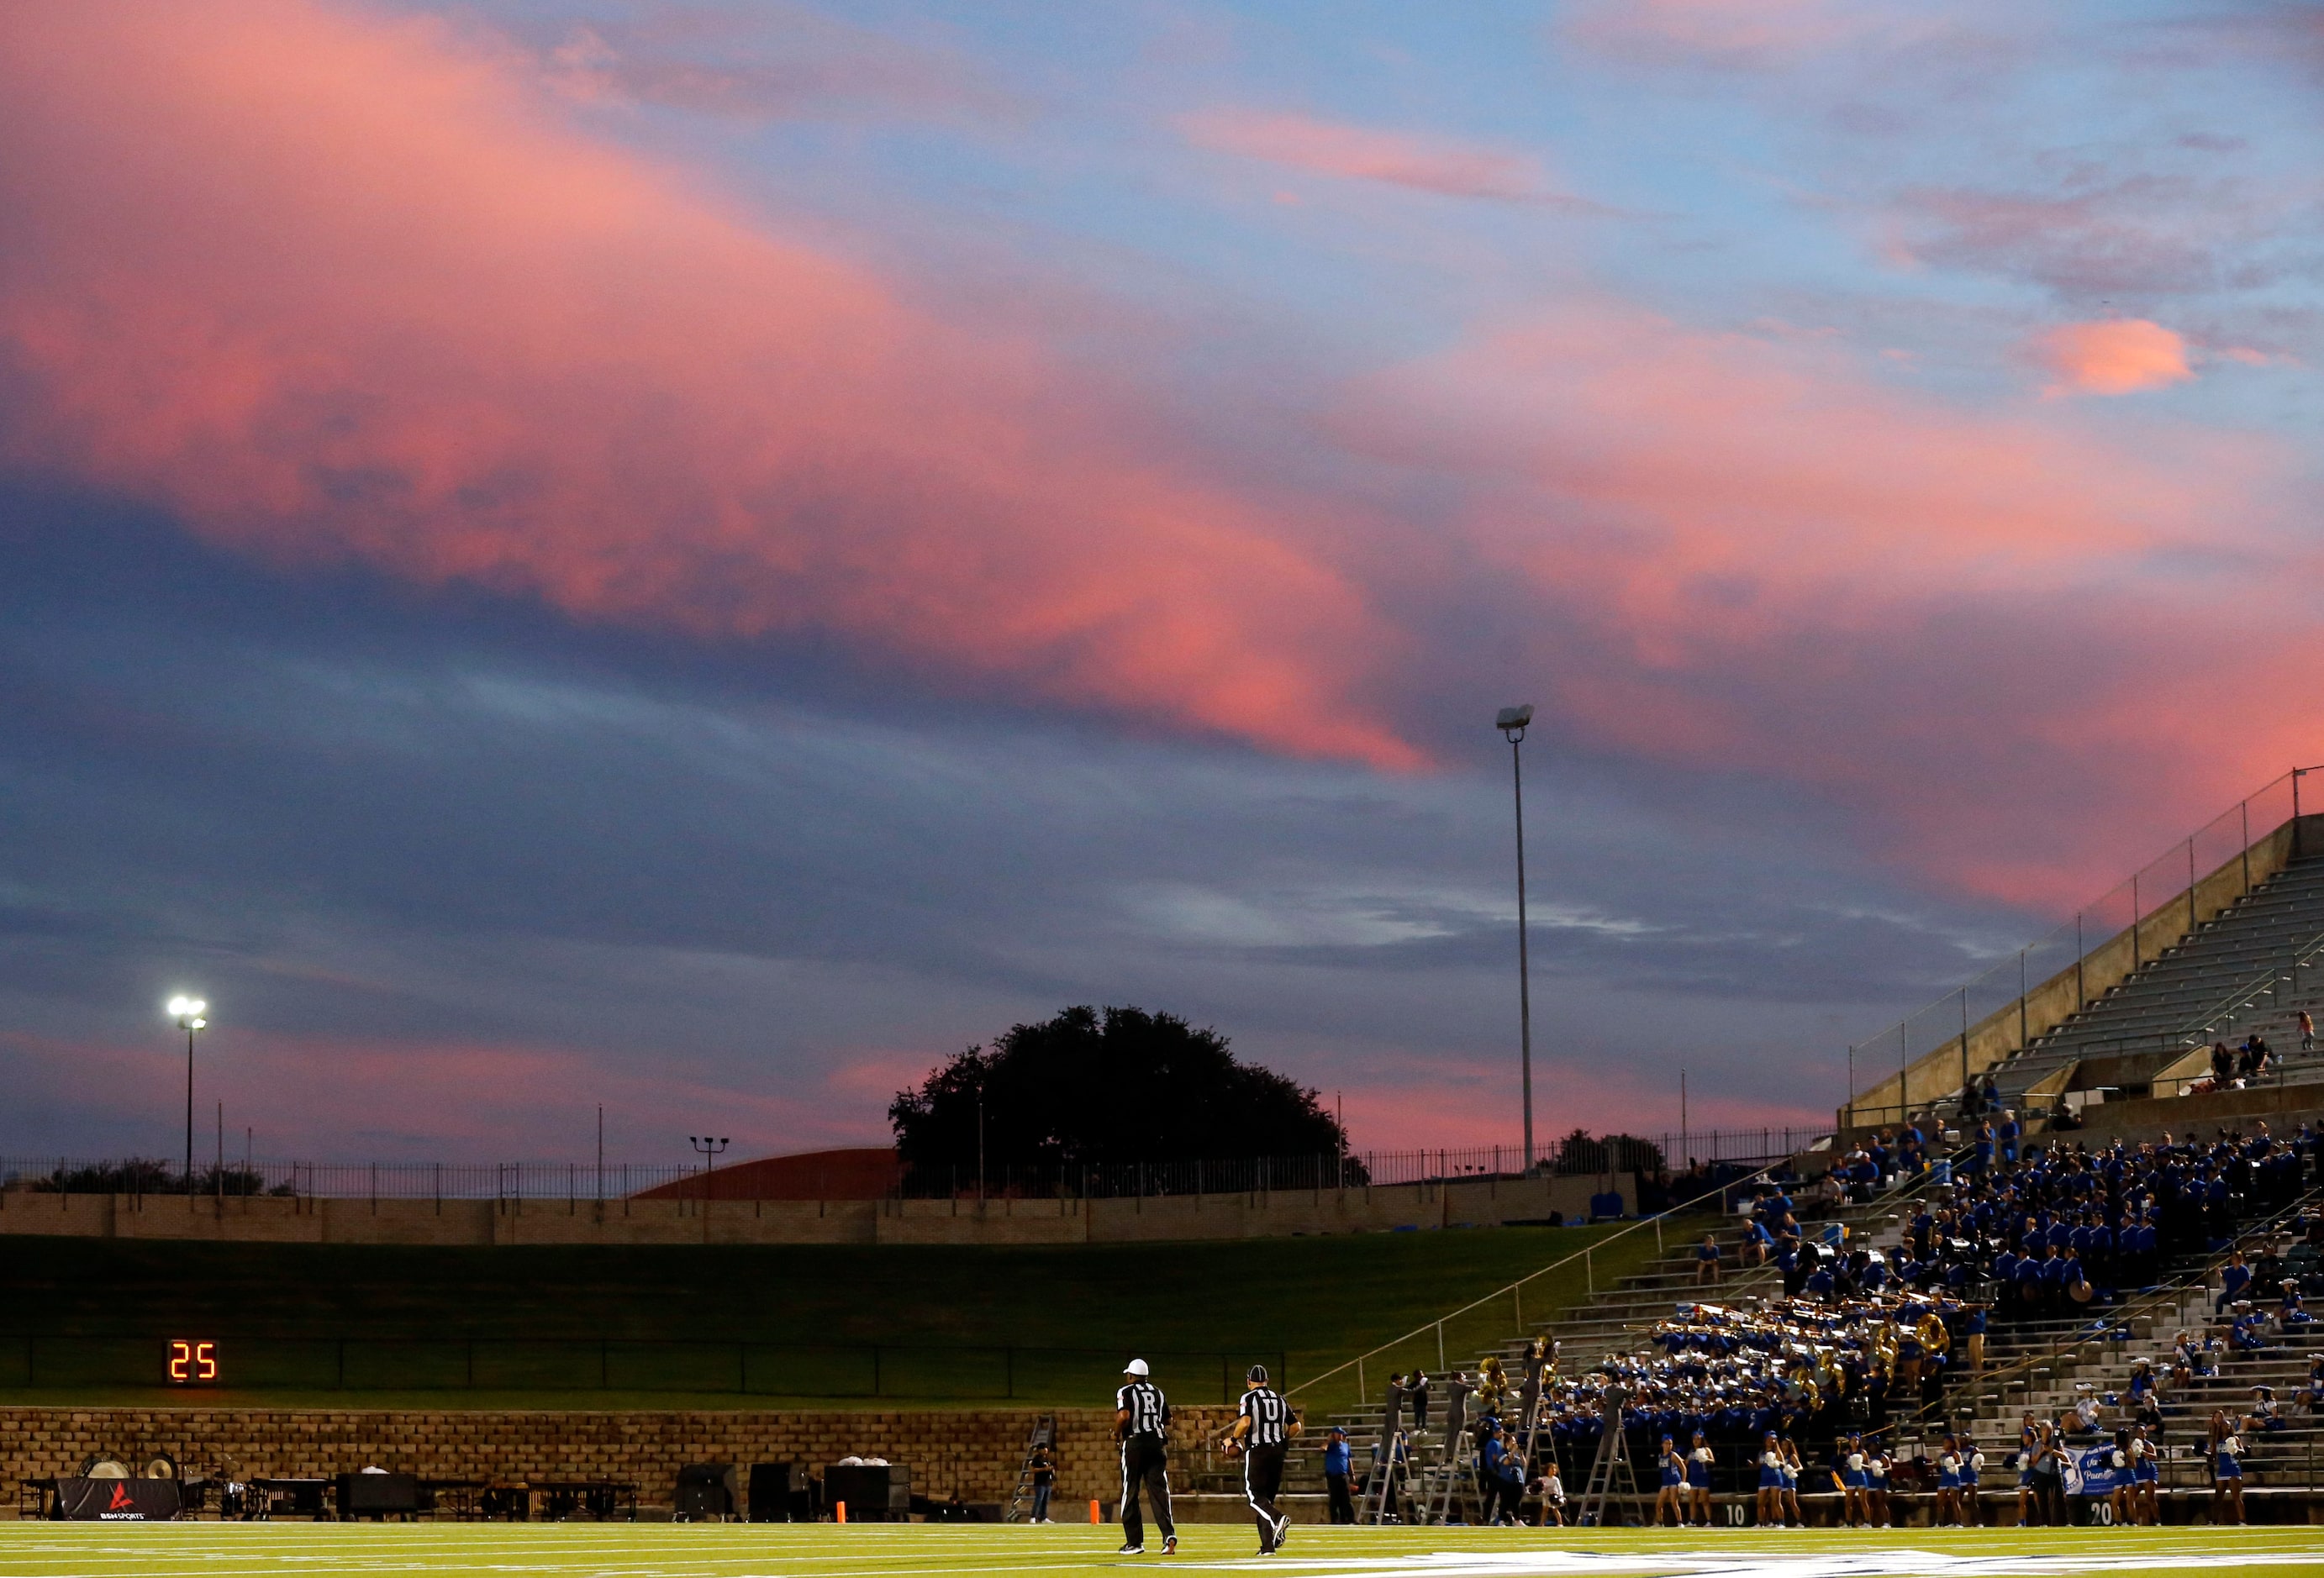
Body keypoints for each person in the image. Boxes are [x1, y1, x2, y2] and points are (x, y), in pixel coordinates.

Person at [1223, 1363, 1298, 1555]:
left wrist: (1232, 1439)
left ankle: (1278, 1518)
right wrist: (1283, 1440)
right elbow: (1296, 1426)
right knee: (1266, 1501)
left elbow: (1245, 1422)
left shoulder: (1248, 1397)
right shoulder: (1280, 1399)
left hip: (1258, 1451)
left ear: (1249, 1381)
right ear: (1267, 1381)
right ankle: (1267, 1547)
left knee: (1255, 1496)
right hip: (1277, 1452)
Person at [1115, 1358, 1177, 1555]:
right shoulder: (1158, 1392)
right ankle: (1169, 1536)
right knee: (1159, 1491)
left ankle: (1134, 1542)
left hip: (1135, 1443)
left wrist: (1115, 1433)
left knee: (1130, 1490)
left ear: (1131, 1375)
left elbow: (1124, 1416)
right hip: (1157, 1445)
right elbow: (1168, 1418)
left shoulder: (1126, 1392)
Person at [2211, 1411, 2246, 1524]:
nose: (2225, 1427)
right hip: (2222, 1470)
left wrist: (2236, 1449)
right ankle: (2214, 1521)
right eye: (2223, 1425)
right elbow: (2212, 1453)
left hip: (2233, 1469)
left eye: (2228, 1425)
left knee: (2236, 1497)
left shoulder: (2235, 1439)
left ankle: (2242, 1521)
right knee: (2218, 1498)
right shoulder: (2218, 1440)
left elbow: (2243, 1451)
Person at [1322, 1427, 1354, 1525]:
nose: (1340, 1436)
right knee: (1334, 1499)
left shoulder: (1345, 1446)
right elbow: (1323, 1449)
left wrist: (1352, 1473)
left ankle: (1349, 1518)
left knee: (1346, 1498)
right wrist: (1328, 1441)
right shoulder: (1330, 1446)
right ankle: (1335, 1519)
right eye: (1338, 1434)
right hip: (1333, 1476)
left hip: (1343, 1475)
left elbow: (1348, 1459)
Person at [1654, 1434, 1686, 1527]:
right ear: (1662, 1444)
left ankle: (1680, 1523)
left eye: (1670, 1444)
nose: (1668, 1445)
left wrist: (1683, 1481)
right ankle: (1660, 1523)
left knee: (1674, 1503)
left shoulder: (1673, 1455)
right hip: (1665, 1482)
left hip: (1674, 1481)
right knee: (1658, 1504)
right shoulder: (1660, 1456)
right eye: (1666, 1443)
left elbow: (1683, 1468)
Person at [1685, 1428, 1714, 1527]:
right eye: (1694, 1439)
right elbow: (1686, 1463)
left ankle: (1709, 1521)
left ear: (1701, 1440)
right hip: (1693, 1478)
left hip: (1703, 1477)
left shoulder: (1706, 1450)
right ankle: (1692, 1521)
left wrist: (1705, 1459)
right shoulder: (1691, 1451)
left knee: (1705, 1500)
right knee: (1692, 1500)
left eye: (1698, 1439)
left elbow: (1713, 1461)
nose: (1695, 1441)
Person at [1755, 1432, 1784, 1528]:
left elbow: (1783, 1463)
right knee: (1760, 1502)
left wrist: (1776, 1462)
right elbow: (1758, 1465)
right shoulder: (1762, 1452)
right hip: (1764, 1479)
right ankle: (1760, 1523)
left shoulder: (1777, 1451)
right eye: (1770, 1438)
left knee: (1776, 1501)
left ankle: (1781, 1522)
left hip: (1775, 1477)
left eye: (1774, 1439)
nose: (1772, 1441)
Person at [1029, 1441, 1056, 1524]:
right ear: (1040, 1450)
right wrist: (1043, 1469)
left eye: (1046, 1448)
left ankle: (1043, 1517)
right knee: (1038, 1500)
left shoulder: (1046, 1459)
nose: (1046, 1450)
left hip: (1047, 1483)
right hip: (1040, 1483)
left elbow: (1050, 1469)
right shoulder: (1037, 1459)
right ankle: (1033, 1517)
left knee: (1045, 1501)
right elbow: (1033, 1469)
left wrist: (1052, 1470)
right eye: (1044, 1448)